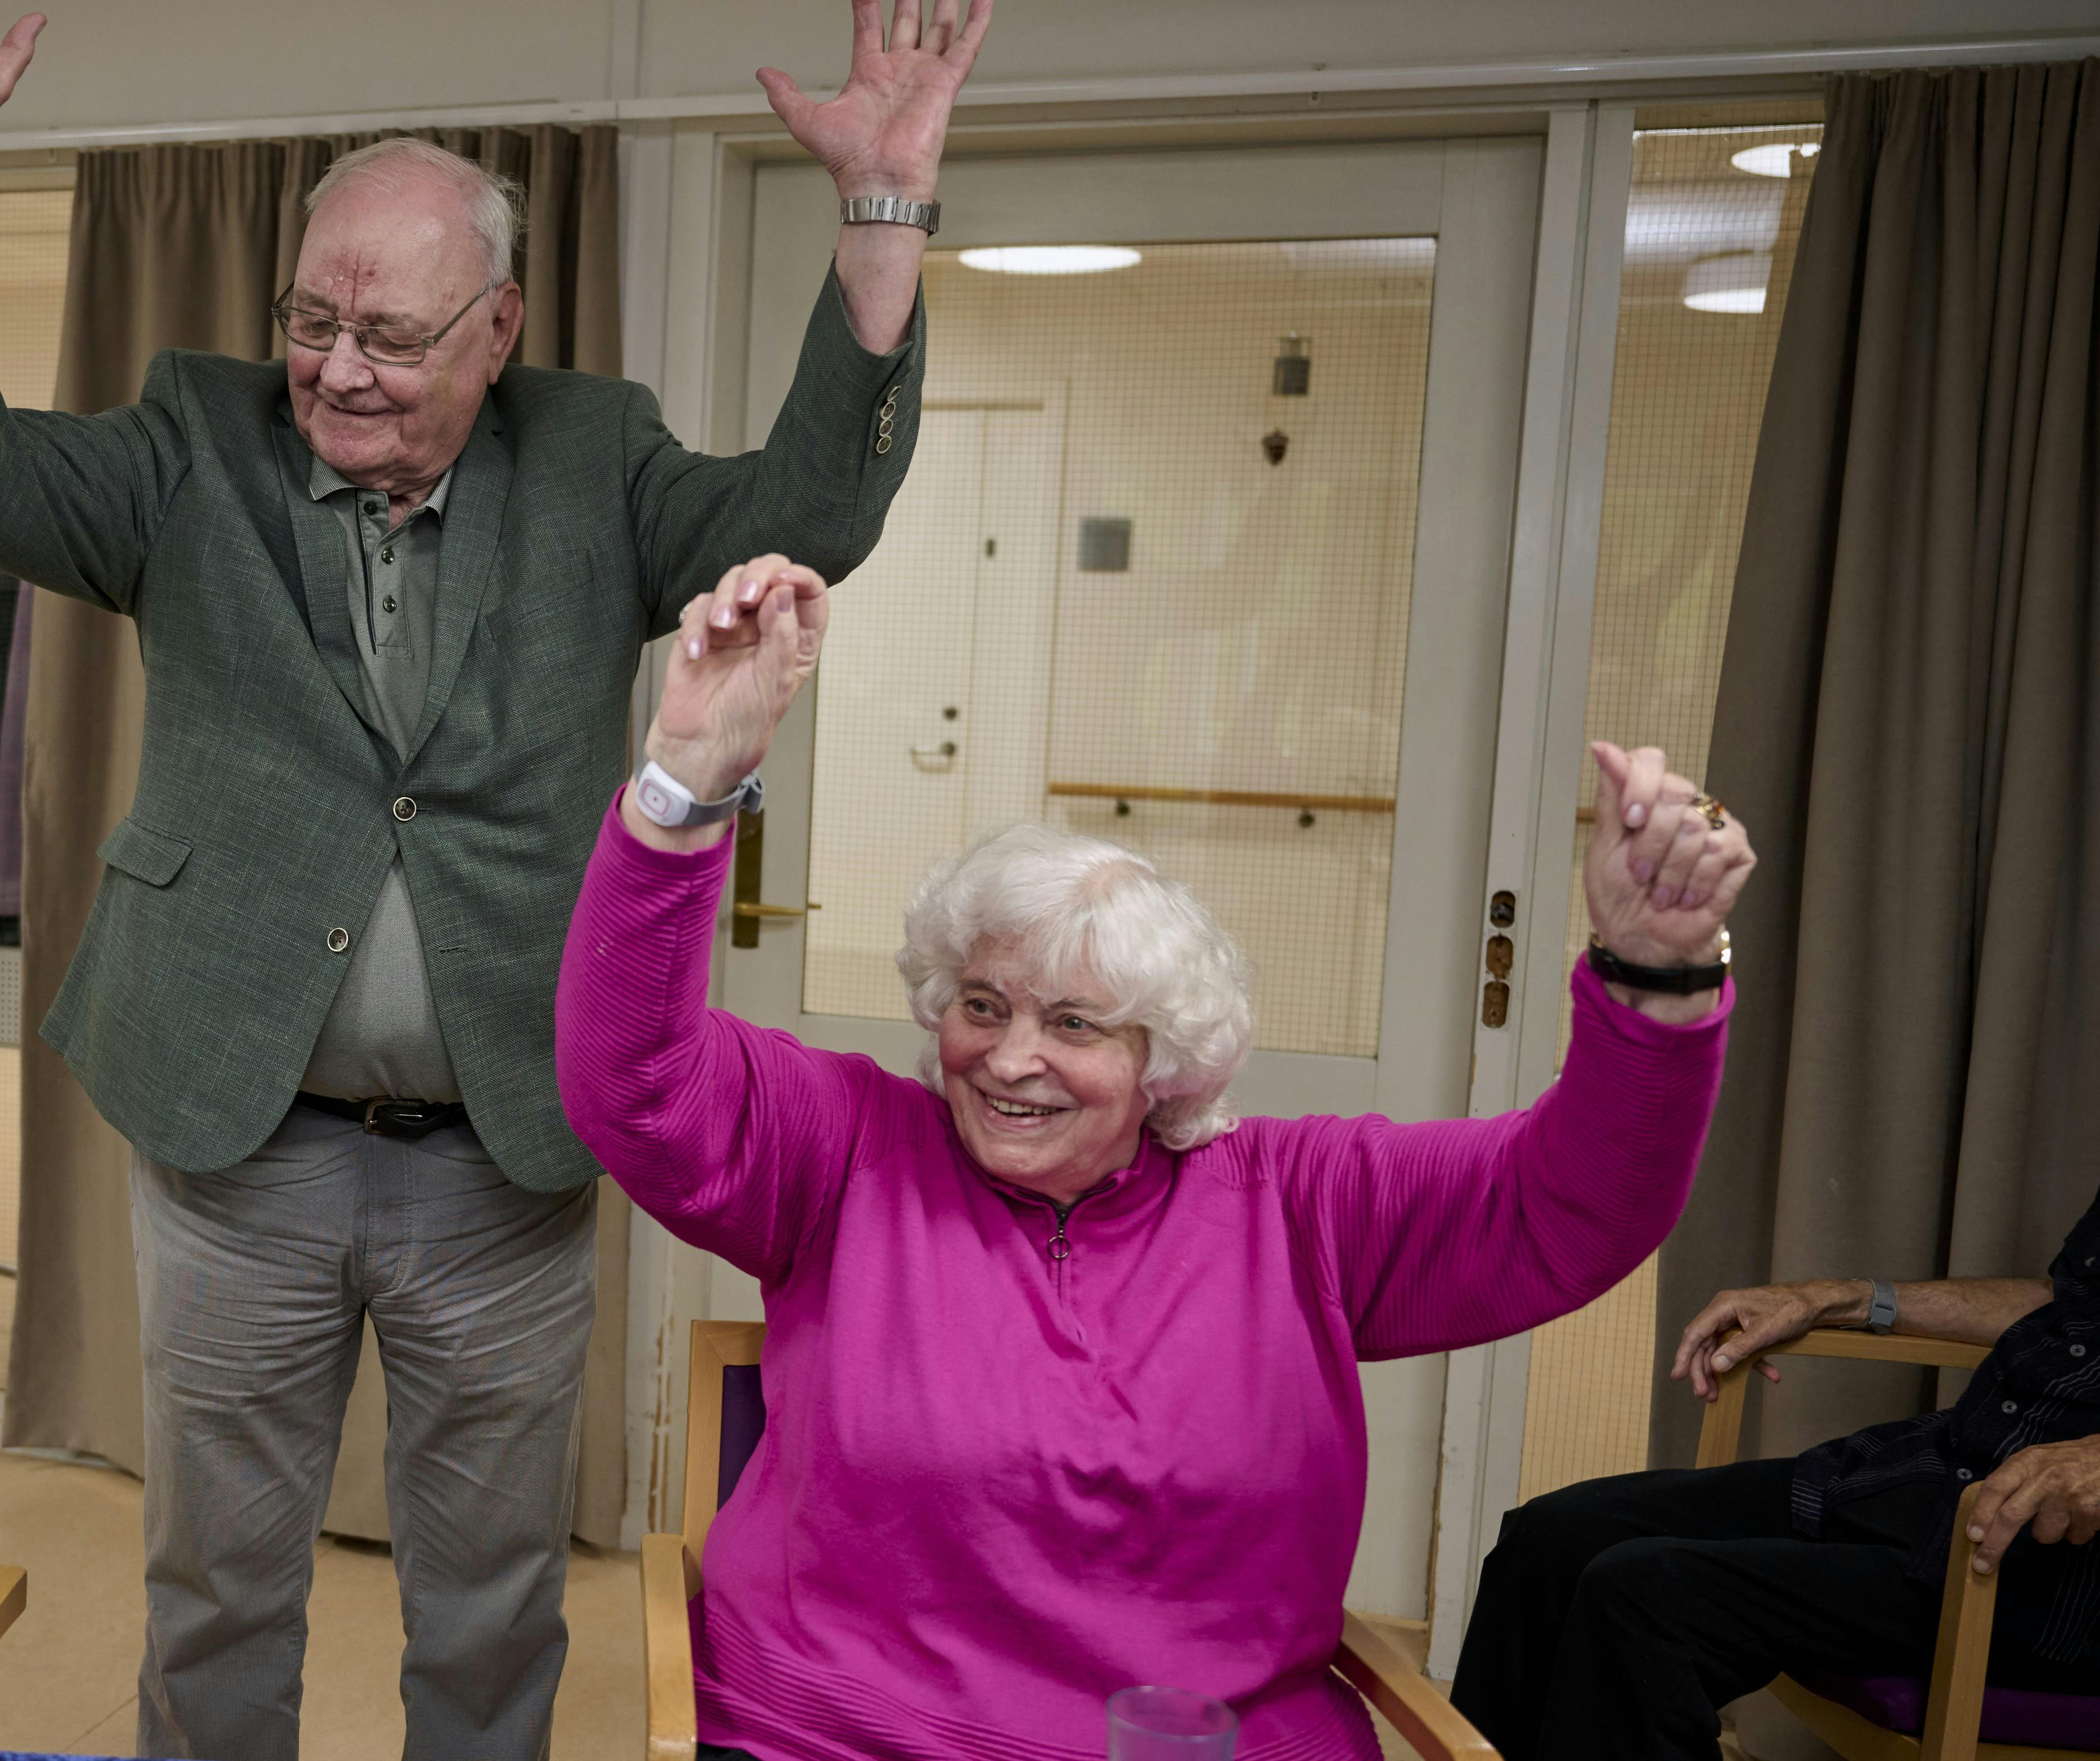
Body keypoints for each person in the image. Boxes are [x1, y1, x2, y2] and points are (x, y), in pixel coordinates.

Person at [0, 0, 987, 1761]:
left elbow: (808, 513)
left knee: (492, 1602)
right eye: (312, 319)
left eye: (393, 330)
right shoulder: (190, 446)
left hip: (502, 1149)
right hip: (233, 1136)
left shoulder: (591, 456)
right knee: (215, 1587)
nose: (341, 365)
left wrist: (880, 225)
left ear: (499, 326)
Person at [552, 558, 1754, 1759]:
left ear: (1165, 1059)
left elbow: (1572, 1207)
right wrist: (685, 788)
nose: (1010, 1058)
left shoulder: (1302, 1207)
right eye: (981, 1004)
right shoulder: (852, 1150)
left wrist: (1653, 978)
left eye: (1073, 1024)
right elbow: (634, 1082)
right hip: (846, 1737)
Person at [1452, 1198, 2100, 1756]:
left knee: (1646, 1597)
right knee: (1552, 1537)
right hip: (1929, 1474)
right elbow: (2073, 1306)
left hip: (2038, 1564)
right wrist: (1844, 1298)